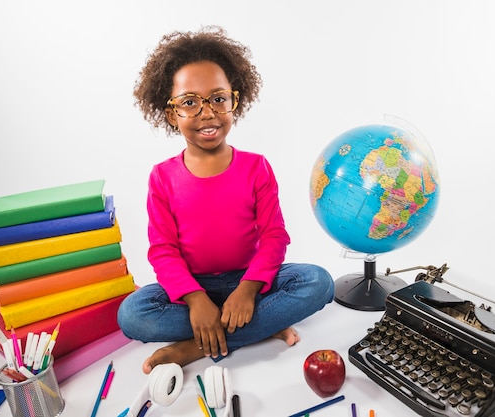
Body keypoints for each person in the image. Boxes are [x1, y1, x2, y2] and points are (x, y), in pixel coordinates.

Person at [117, 26, 335, 374]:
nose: (208, 113)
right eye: (190, 103)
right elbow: (163, 250)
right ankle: (260, 326)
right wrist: (195, 299)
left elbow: (275, 236)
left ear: (235, 100)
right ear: (172, 114)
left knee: (318, 283)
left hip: (253, 281)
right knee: (132, 315)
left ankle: (196, 347)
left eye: (219, 98)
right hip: (194, 287)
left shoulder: (256, 167)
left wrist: (248, 289)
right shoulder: (162, 176)